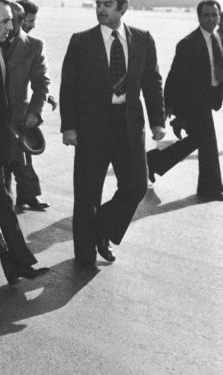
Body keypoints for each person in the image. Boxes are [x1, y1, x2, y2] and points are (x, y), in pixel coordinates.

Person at [61, 0, 165, 268]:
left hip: (129, 125)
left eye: (107, 4)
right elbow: (68, 85)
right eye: (98, 4)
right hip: (91, 126)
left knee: (136, 185)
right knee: (87, 193)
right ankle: (85, 257)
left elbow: (152, 81)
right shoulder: (81, 41)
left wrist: (157, 121)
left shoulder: (142, 39)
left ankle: (102, 228)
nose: (100, 9)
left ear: (123, 8)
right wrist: (69, 125)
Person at [0, 0, 48, 285]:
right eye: (5, 21)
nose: (13, 26)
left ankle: (16, 264)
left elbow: (3, 106)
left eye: (12, 20)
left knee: (0, 205)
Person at [147, 0, 223, 201]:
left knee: (198, 140)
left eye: (214, 15)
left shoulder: (217, 39)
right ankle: (211, 189)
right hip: (193, 101)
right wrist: (168, 108)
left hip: (209, 99)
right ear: (199, 17)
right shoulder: (188, 43)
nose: (211, 19)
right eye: (206, 15)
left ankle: (154, 161)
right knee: (208, 143)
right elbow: (174, 78)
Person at [2, 1, 50, 211]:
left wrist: (34, 112)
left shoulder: (34, 45)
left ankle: (26, 196)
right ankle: (4, 206)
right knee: (0, 167)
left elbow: (42, 83)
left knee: (22, 161)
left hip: (19, 118)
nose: (29, 24)